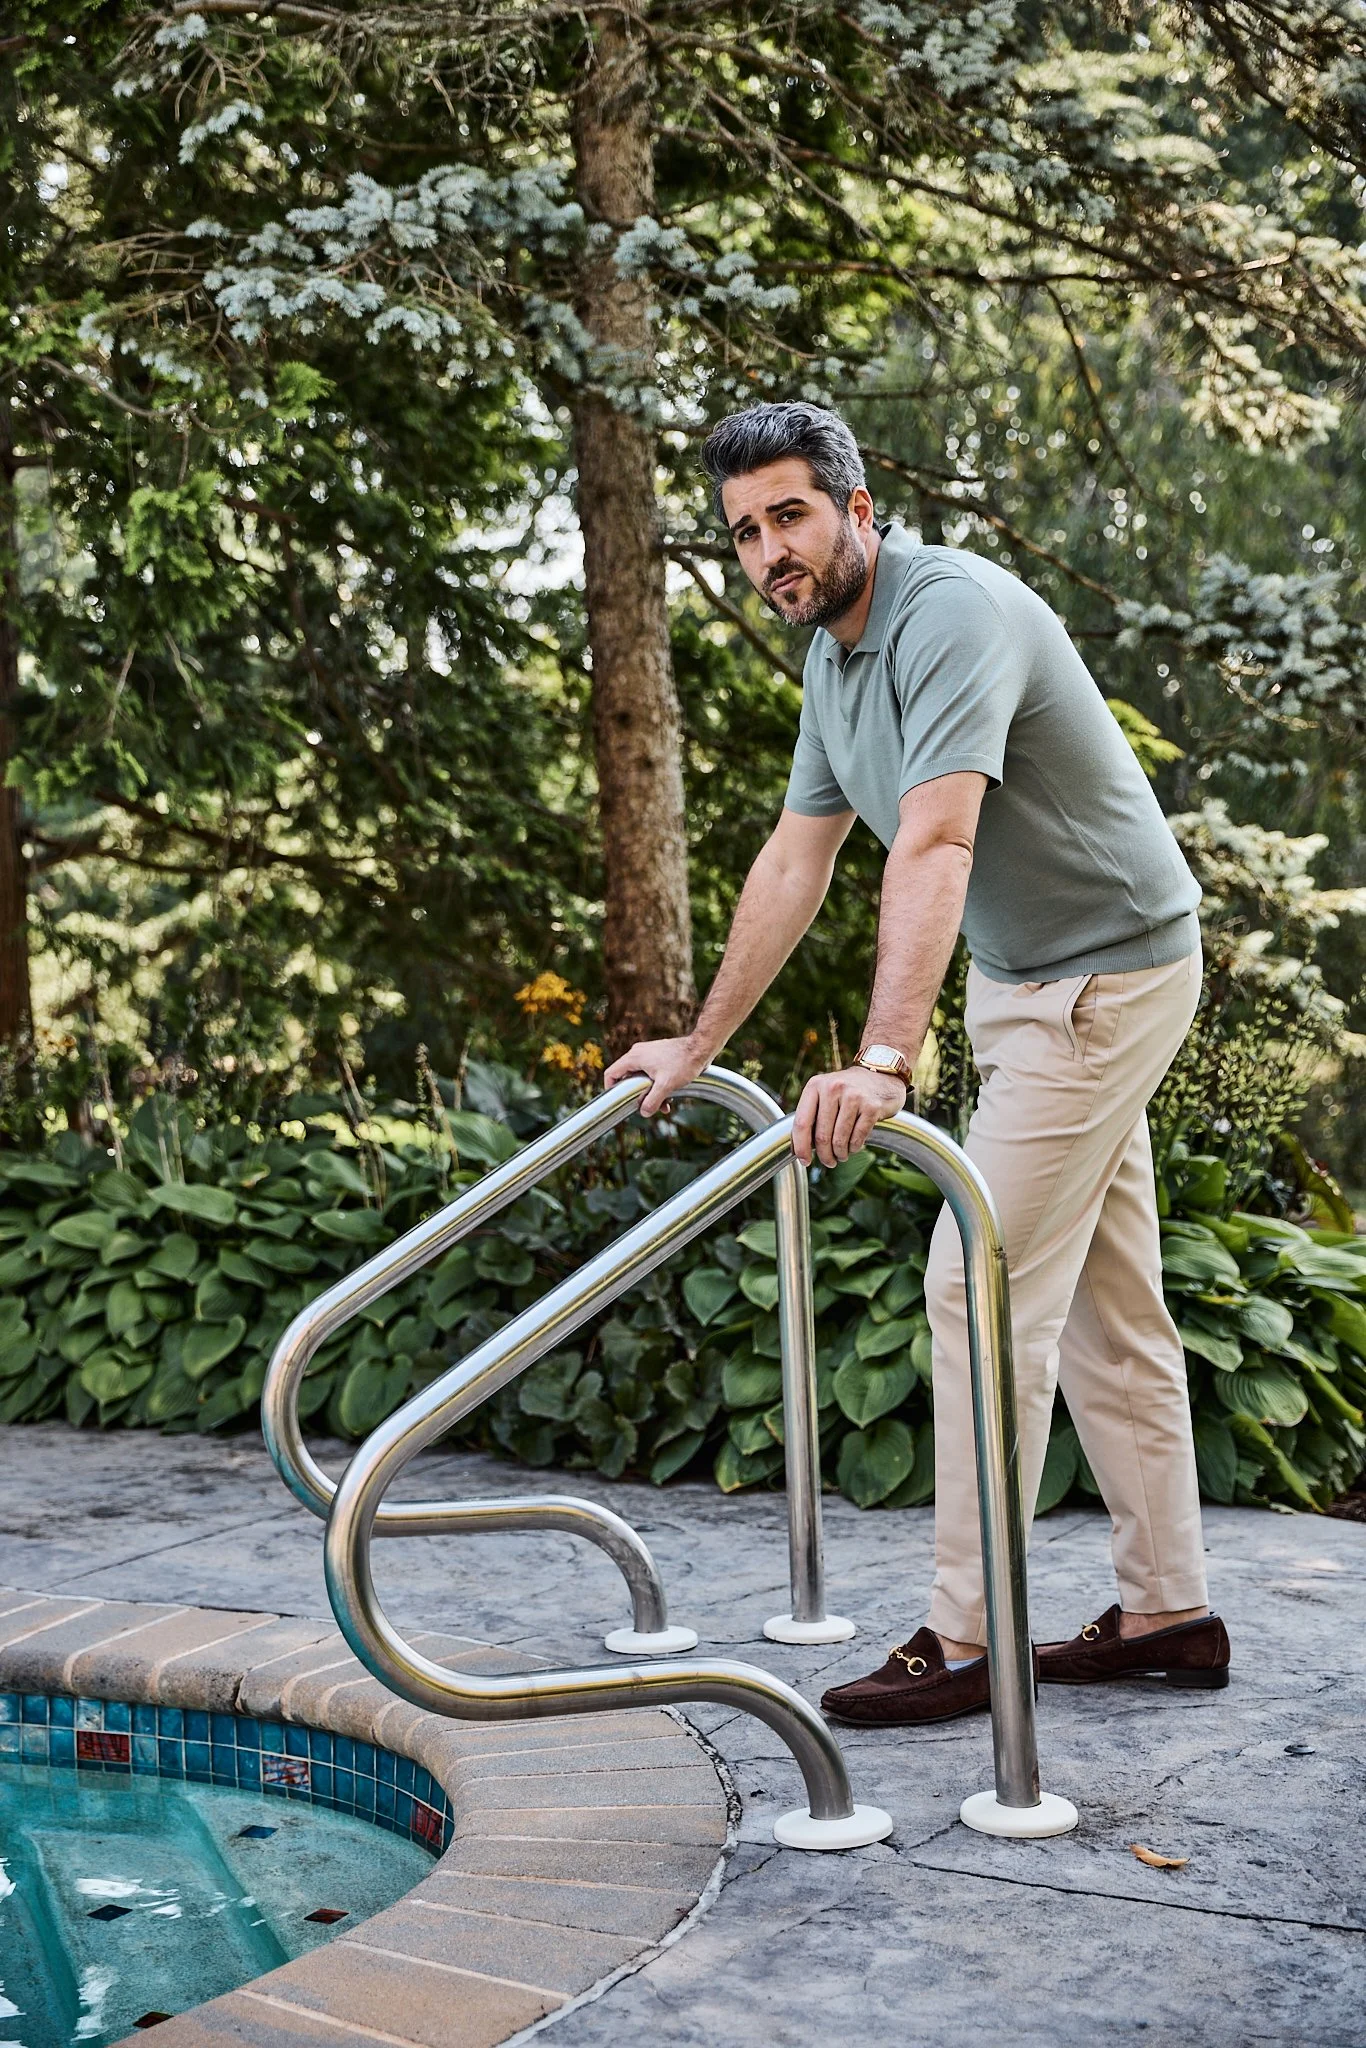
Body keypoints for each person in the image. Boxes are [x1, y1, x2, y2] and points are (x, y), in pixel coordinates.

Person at [604, 400, 1230, 1725]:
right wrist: (699, 1042)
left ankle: (964, 1633)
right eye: (744, 533)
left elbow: (935, 843)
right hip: (1029, 989)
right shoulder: (835, 666)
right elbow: (795, 860)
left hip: (1106, 979)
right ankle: (1170, 1611)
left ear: (856, 509)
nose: (770, 548)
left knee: (975, 1279)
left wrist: (885, 1057)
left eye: (790, 514)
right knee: (1112, 1313)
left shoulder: (947, 616)